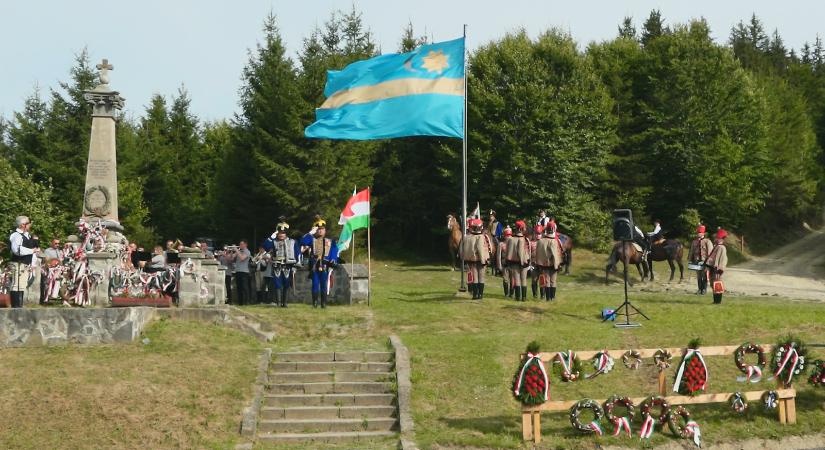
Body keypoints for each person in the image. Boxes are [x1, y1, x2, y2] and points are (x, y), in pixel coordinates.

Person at [300, 216, 339, 308]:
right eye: (318, 229)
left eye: (322, 229)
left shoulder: (330, 241)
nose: (320, 231)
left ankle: (323, 304)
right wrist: (310, 233)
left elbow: (334, 251)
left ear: (325, 230)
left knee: (324, 285)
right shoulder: (311, 240)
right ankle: (315, 304)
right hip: (315, 266)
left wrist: (333, 260)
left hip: (325, 266)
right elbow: (302, 241)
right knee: (315, 285)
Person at [264, 221, 298, 308]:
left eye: (283, 233)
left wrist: (295, 265)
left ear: (286, 233)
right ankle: (278, 302)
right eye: (280, 233)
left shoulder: (292, 242)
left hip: (288, 264)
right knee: (277, 284)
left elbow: (297, 253)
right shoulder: (273, 241)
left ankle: (285, 303)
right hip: (277, 265)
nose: (281, 235)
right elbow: (265, 246)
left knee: (286, 284)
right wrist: (271, 237)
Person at [9, 216, 40, 308]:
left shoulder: (25, 236)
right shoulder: (16, 235)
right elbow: (17, 250)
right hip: (18, 262)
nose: (30, 225)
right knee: (16, 285)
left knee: (21, 285)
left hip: (24, 263)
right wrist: (32, 251)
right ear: (23, 225)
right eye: (28, 223)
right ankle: (15, 307)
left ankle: (19, 306)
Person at [459, 218, 491, 299]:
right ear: (479, 227)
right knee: (481, 278)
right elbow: (480, 249)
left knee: (474, 278)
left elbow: (461, 250)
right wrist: (484, 260)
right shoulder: (480, 237)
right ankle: (480, 295)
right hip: (480, 260)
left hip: (470, 260)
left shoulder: (466, 237)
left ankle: (474, 295)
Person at [535, 221, 563, 301]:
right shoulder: (554, 241)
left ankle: (547, 298)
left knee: (546, 281)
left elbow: (538, 254)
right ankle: (552, 297)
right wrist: (557, 265)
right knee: (553, 281)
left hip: (543, 264)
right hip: (553, 264)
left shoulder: (540, 241)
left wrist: (538, 264)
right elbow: (555, 254)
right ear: (554, 229)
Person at [505, 220, 530, 301]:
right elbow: (521, 251)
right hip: (523, 261)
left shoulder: (510, 239)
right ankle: (524, 297)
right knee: (523, 279)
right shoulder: (523, 239)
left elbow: (507, 251)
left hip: (513, 261)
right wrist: (524, 262)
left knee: (517, 279)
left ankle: (518, 297)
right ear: (521, 229)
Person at [705, 228, 728, 304]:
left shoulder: (721, 248)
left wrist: (720, 269)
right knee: (713, 284)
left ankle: (718, 301)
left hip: (717, 270)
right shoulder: (717, 246)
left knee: (717, 285)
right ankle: (715, 301)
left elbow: (722, 260)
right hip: (713, 268)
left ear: (721, 239)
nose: (716, 239)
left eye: (717, 238)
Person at [688, 225, 713, 295]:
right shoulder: (694, 242)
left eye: (700, 232)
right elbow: (691, 251)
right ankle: (699, 289)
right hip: (696, 261)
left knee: (704, 275)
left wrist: (708, 263)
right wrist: (690, 260)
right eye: (698, 232)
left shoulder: (707, 241)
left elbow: (710, 252)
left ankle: (704, 289)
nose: (698, 234)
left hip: (704, 261)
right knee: (698, 276)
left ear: (703, 233)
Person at [41, 238, 64, 304]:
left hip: (58, 270)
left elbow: (61, 261)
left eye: (58, 243)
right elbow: (47, 260)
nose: (57, 245)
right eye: (56, 243)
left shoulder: (59, 251)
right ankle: (46, 299)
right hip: (50, 270)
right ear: (52, 243)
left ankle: (58, 297)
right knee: (48, 284)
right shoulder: (47, 251)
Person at [233, 240, 252, 305]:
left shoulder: (247, 251)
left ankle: (247, 302)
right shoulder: (239, 251)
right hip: (238, 271)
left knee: (245, 287)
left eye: (241, 244)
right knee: (239, 288)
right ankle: (240, 302)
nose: (240, 245)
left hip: (244, 272)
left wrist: (236, 250)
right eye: (240, 244)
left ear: (245, 245)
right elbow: (231, 258)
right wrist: (230, 252)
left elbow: (242, 258)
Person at [497, 226, 512, 296]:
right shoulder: (501, 244)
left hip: (512, 264)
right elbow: (498, 256)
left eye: (509, 235)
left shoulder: (513, 243)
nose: (508, 237)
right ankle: (506, 293)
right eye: (507, 236)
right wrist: (499, 265)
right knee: (505, 279)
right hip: (504, 264)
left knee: (513, 279)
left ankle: (512, 293)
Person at [529, 225, 543, 299]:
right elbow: (528, 254)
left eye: (539, 233)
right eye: (537, 233)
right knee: (534, 280)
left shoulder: (544, 242)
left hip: (542, 265)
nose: (538, 235)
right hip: (534, 264)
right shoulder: (531, 243)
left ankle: (542, 296)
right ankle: (535, 295)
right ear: (534, 234)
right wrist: (529, 263)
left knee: (542, 280)